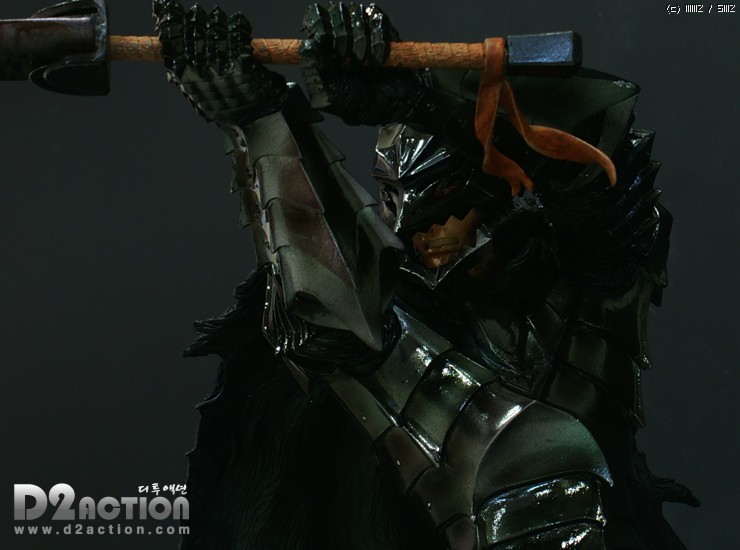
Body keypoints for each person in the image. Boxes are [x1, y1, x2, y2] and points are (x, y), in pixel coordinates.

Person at [152, 2, 697, 548]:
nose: (414, 226)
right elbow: (328, 324)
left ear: (492, 188)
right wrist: (259, 118)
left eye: (443, 196)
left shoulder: (569, 275)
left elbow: (606, 166)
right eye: (392, 198)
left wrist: (425, 98)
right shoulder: (363, 299)